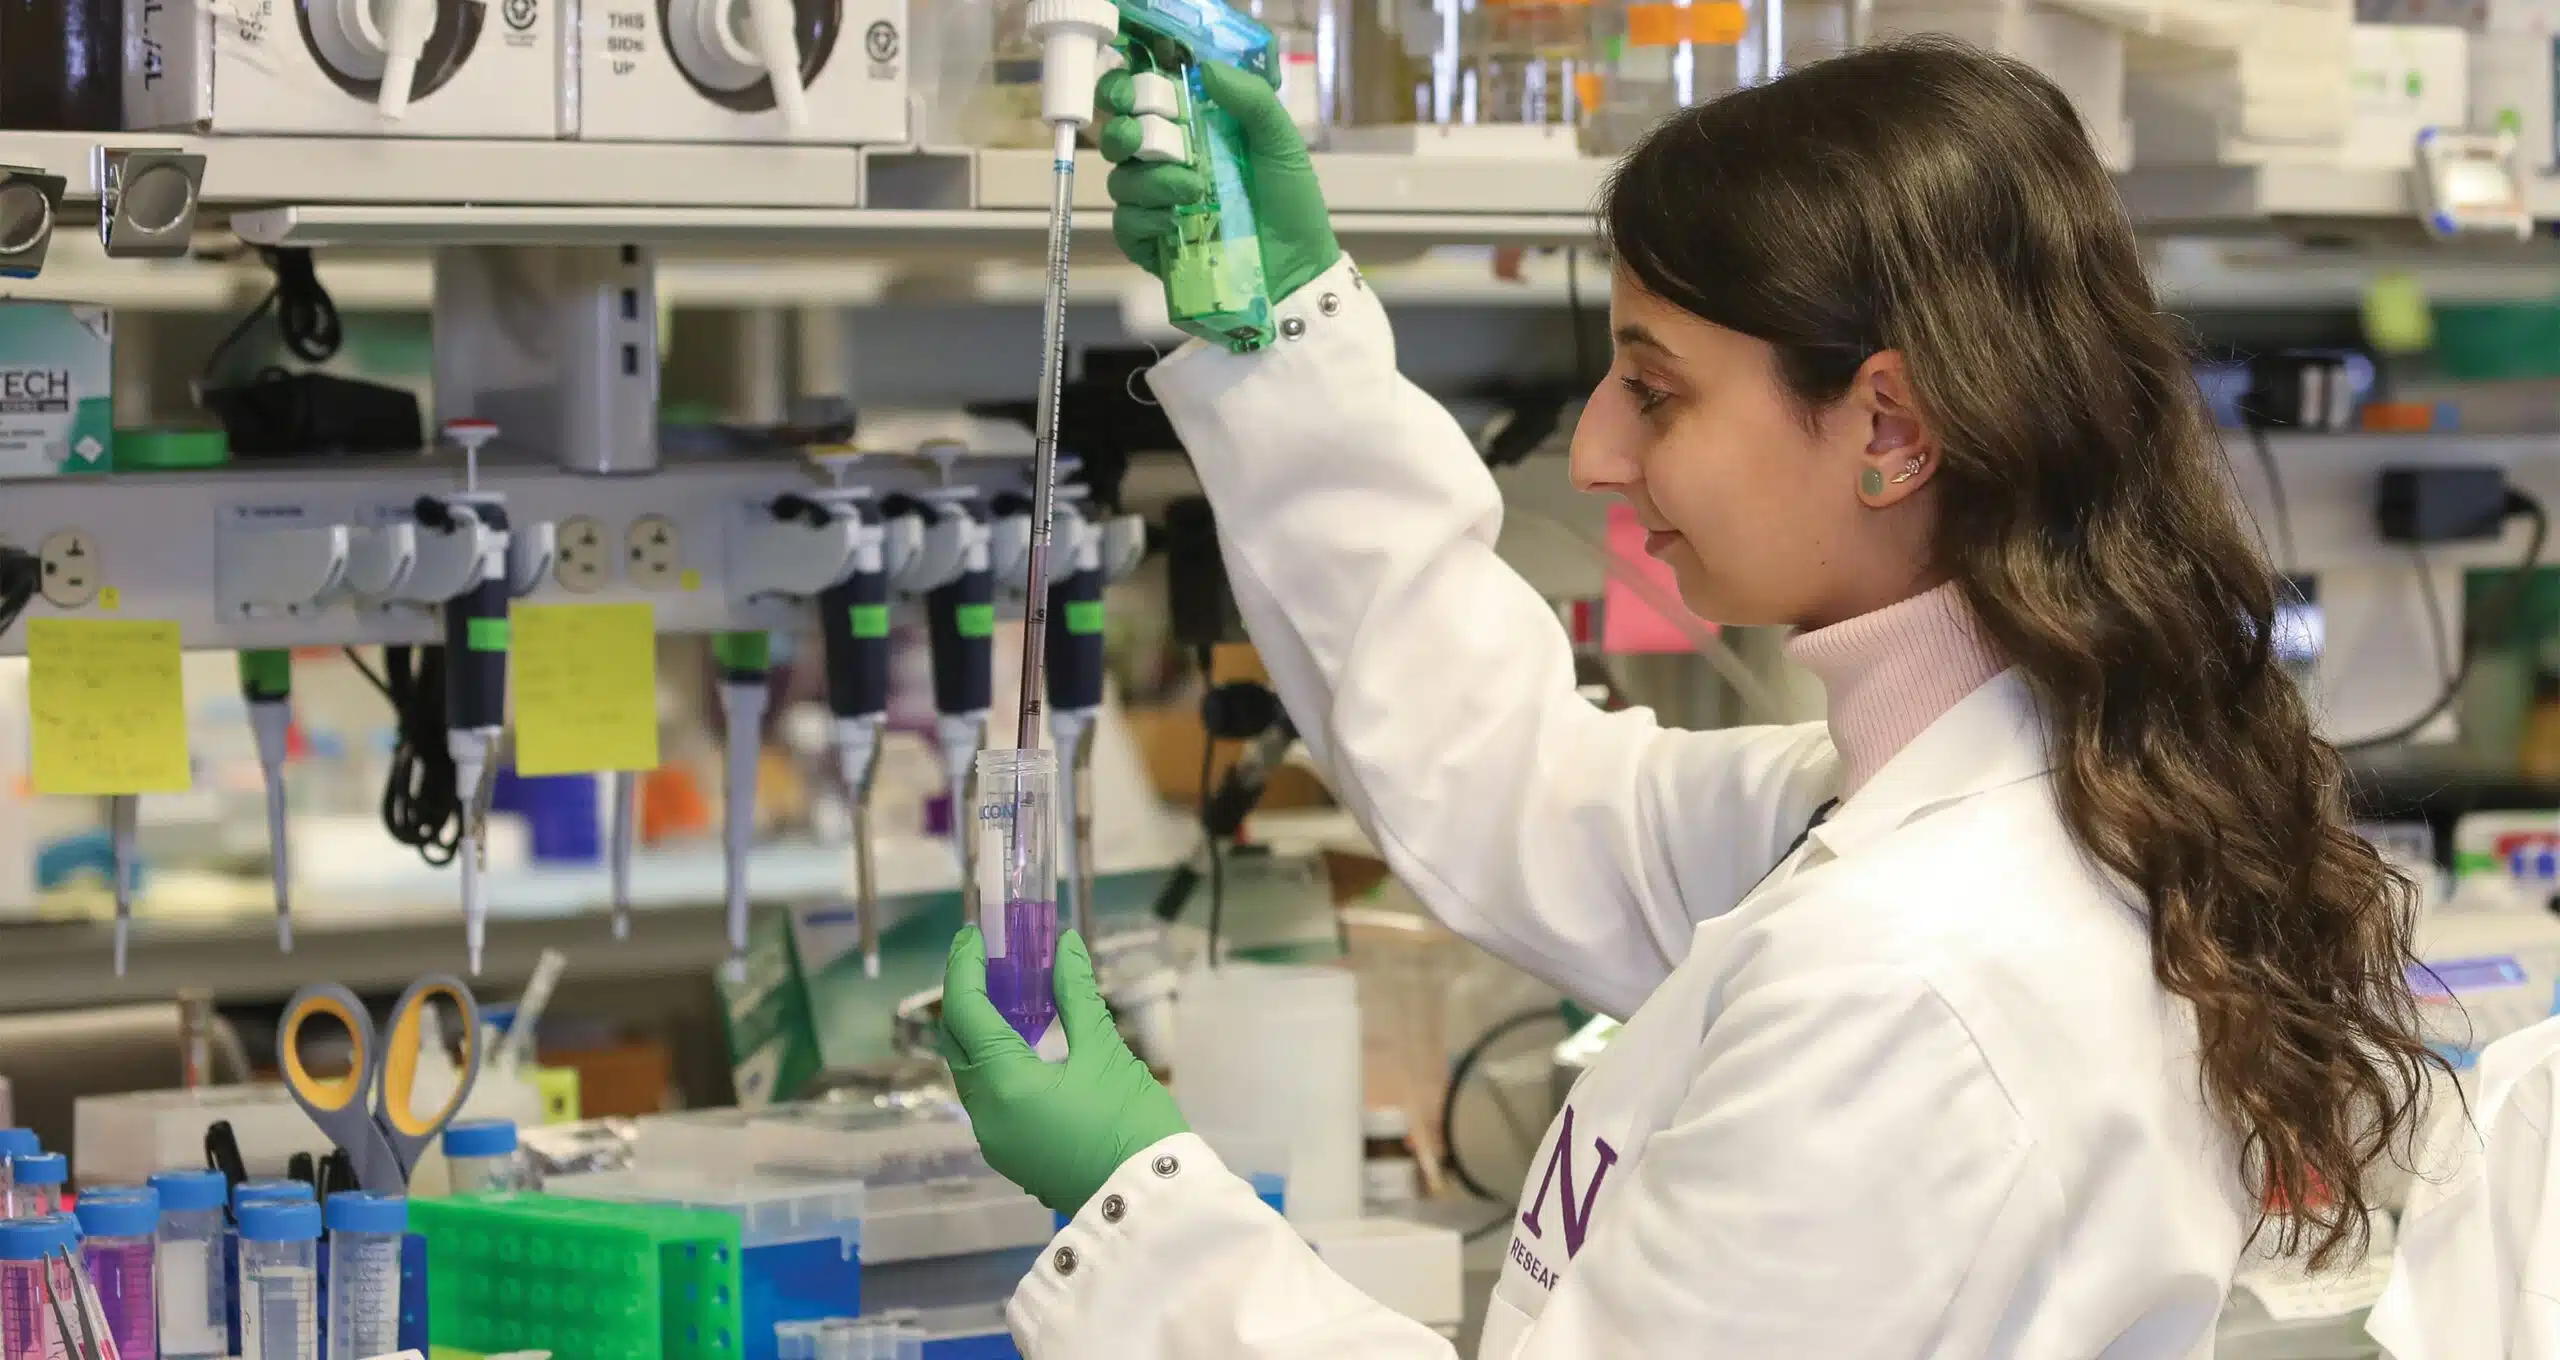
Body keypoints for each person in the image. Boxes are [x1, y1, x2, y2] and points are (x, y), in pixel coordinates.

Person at [935, 37, 2445, 1359]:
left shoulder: (1916, 979)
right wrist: (1274, 340)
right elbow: (1512, 779)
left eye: (1654, 389)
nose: (1594, 452)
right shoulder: (1926, 811)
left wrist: (1143, 1209)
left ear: (1890, 427)